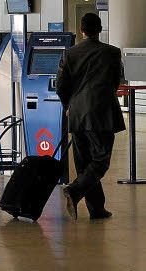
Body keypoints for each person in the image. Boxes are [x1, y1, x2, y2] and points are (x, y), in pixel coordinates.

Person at [56, 13, 125, 221]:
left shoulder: (69, 54)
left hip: (77, 113)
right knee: (100, 161)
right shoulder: (112, 53)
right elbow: (115, 81)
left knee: (84, 163)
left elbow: (61, 85)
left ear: (81, 30)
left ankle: (96, 208)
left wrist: (68, 105)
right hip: (102, 113)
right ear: (100, 29)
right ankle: (74, 191)